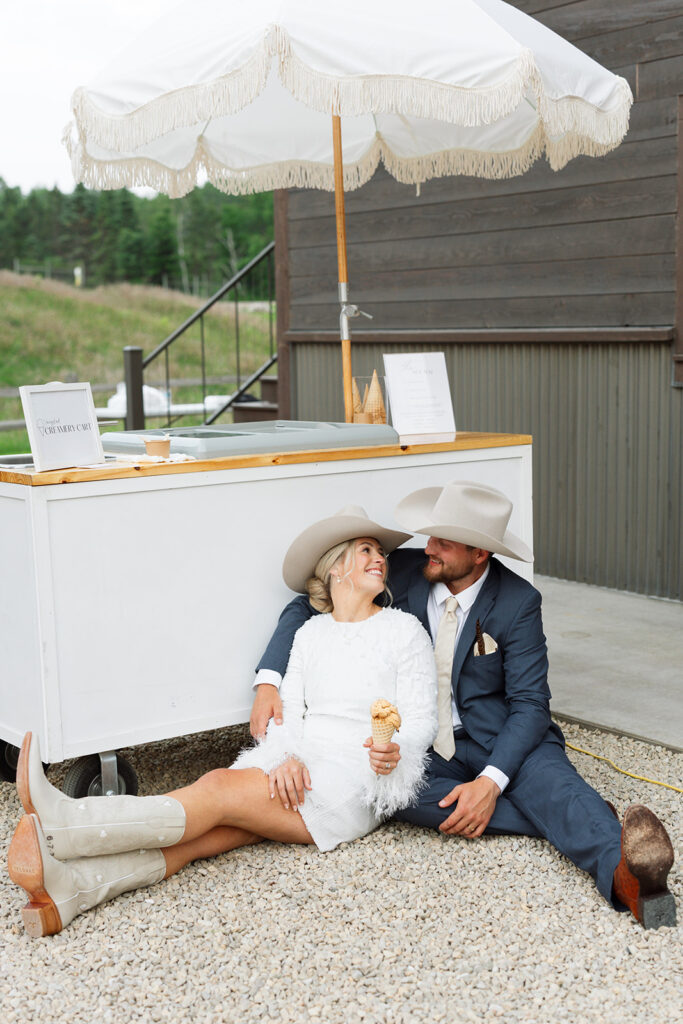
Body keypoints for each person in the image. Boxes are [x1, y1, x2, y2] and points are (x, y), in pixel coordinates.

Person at [250, 480, 676, 930]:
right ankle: (569, 814)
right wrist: (268, 682)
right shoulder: (412, 570)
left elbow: (531, 704)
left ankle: (632, 883)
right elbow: (306, 605)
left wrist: (491, 783)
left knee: (549, 780)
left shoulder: (518, 603)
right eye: (430, 536)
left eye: (443, 543)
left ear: (480, 555)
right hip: (430, 746)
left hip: (504, 738)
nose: (428, 548)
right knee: (394, 796)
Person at [8, 507, 437, 938]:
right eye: (366, 549)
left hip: (354, 778)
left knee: (216, 788)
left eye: (380, 552)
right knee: (206, 836)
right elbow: (289, 712)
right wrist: (287, 754)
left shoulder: (405, 630)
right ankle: (73, 892)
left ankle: (67, 825)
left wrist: (394, 751)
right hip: (303, 761)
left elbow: (421, 720)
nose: (380, 557)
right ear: (336, 569)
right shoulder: (311, 634)